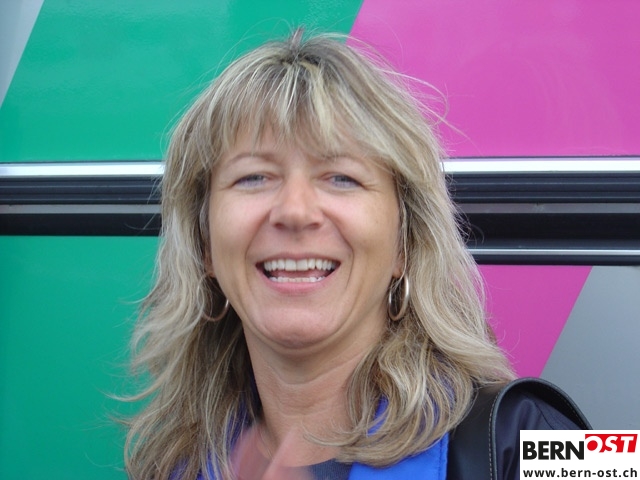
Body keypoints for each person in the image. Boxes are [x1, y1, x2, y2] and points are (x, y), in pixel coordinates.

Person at [124, 30, 585, 480]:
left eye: (341, 177)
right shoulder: (170, 466)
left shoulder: (535, 434)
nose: (295, 211)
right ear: (204, 244)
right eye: (254, 177)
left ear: (405, 242)